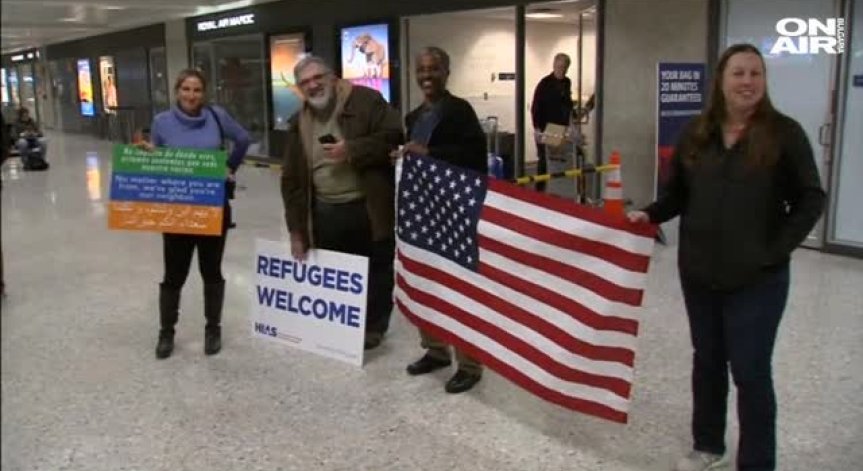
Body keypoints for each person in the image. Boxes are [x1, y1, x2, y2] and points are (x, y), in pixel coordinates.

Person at [628, 44, 825, 471]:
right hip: (699, 272)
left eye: (756, 73)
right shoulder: (697, 132)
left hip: (758, 278)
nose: (748, 82)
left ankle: (756, 463)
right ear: (721, 79)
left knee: (751, 371)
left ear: (764, 81)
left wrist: (775, 250)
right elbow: (678, 194)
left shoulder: (783, 133)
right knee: (708, 361)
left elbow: (811, 198)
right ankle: (708, 445)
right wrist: (648, 213)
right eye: (739, 73)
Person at [281, 56, 402, 350]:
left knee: (376, 270)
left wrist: (353, 149)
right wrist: (296, 230)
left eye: (317, 78)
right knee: (337, 274)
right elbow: (292, 180)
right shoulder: (300, 122)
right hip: (324, 211)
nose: (313, 85)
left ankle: (373, 328)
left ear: (332, 77)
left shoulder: (366, 101)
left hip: (368, 207)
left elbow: (394, 135)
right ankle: (344, 328)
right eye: (305, 82)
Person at [146, 68, 250, 359]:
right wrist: (144, 157)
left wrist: (230, 166)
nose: (191, 95)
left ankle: (213, 328)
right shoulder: (161, 122)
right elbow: (155, 158)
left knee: (211, 270)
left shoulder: (216, 116)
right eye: (186, 89)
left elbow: (243, 139)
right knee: (174, 274)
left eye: (197, 90)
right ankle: (166, 332)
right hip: (178, 209)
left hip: (212, 206)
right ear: (177, 91)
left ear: (204, 94)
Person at [400, 46, 487, 394]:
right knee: (426, 281)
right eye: (421, 69)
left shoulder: (460, 111)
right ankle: (435, 350)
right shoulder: (411, 117)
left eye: (434, 69)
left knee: (460, 289)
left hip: (457, 215)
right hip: (423, 215)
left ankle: (470, 363)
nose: (426, 75)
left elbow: (476, 158)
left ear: (447, 72)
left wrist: (431, 153)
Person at [530, 53, 573, 192]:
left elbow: (567, 103)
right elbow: (536, 107)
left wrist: (570, 122)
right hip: (545, 127)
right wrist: (537, 128)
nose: (561, 70)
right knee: (544, 160)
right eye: (558, 67)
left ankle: (554, 191)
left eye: (564, 67)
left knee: (557, 162)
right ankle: (539, 192)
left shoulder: (567, 82)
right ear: (554, 66)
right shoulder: (545, 84)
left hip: (559, 127)